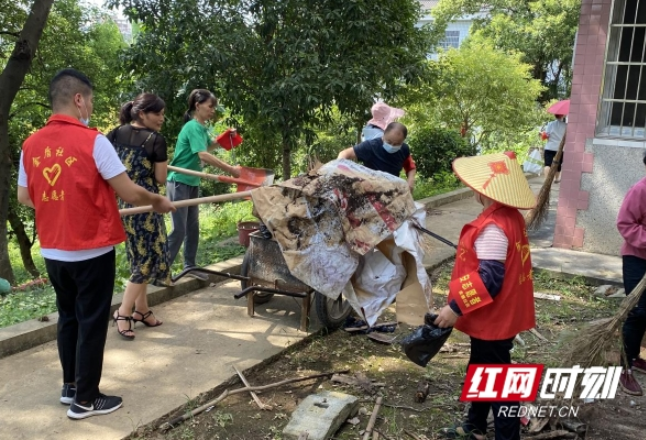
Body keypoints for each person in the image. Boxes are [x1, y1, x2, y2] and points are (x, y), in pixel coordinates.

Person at [17, 68, 175, 419]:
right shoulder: (92, 141)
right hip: (91, 248)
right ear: (78, 99)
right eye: (88, 99)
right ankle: (86, 400)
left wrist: (59, 202)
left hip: (53, 250)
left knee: (68, 317)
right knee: (91, 321)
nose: (90, 106)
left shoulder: (31, 145)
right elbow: (129, 192)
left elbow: (25, 197)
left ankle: (70, 386)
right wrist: (158, 201)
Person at [433, 152, 536, 440]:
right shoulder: (509, 216)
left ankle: (507, 436)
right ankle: (475, 425)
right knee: (481, 366)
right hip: (501, 313)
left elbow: (489, 278)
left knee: (500, 381)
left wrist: (454, 308)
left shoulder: (493, 227)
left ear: (483, 190)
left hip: (495, 316)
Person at [106, 93, 171, 340]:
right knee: (146, 259)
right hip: (146, 203)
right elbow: (161, 179)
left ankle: (142, 310)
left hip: (124, 202)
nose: (162, 119)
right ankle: (123, 312)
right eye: (158, 114)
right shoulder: (156, 140)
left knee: (139, 256)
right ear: (142, 114)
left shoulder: (114, 134)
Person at [166, 89, 240, 279]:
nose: (213, 110)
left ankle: (190, 266)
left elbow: (209, 146)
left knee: (193, 227)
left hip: (192, 181)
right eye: (210, 106)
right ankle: (160, 269)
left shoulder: (202, 128)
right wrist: (231, 169)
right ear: (197, 106)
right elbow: (203, 154)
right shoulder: (192, 127)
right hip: (178, 181)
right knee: (179, 229)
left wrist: (225, 138)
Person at [616, 152, 646, 396]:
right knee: (638, 312)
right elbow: (625, 224)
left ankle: (635, 356)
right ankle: (624, 367)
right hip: (637, 257)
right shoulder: (640, 190)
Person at [337, 122, 417, 192]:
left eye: (396, 144)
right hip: (368, 188)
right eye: (389, 142)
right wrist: (340, 170)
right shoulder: (370, 146)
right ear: (384, 135)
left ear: (402, 141)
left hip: (391, 190)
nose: (392, 146)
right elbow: (344, 153)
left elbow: (410, 166)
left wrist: (410, 180)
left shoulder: (404, 149)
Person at [540, 114, 567, 183]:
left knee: (547, 164)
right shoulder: (566, 126)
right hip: (560, 149)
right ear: (563, 116)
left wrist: (542, 134)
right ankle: (556, 179)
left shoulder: (550, 124)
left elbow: (547, 135)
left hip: (549, 147)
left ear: (555, 115)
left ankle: (546, 180)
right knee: (558, 165)